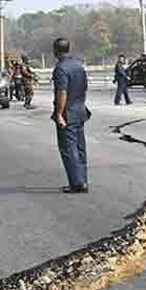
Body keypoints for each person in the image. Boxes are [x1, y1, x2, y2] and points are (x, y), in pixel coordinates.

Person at [50, 37, 90, 194]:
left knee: (68, 148)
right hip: (80, 110)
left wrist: (59, 113)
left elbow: (62, 92)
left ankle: (76, 183)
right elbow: (84, 89)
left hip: (68, 113)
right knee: (80, 148)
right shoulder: (79, 66)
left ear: (55, 51)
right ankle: (83, 180)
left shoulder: (61, 68)